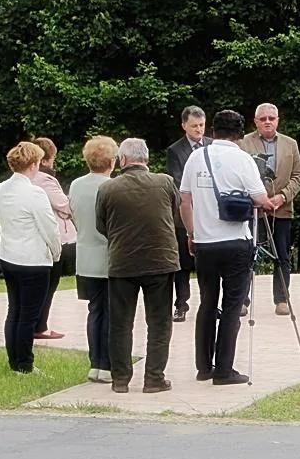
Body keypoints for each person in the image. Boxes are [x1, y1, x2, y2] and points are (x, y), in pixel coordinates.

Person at [180, 109, 275, 384]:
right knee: (232, 306)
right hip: (235, 242)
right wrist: (270, 201)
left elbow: (184, 199)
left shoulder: (196, 156)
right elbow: (260, 198)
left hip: (205, 242)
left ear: (212, 132)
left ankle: (203, 366)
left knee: (207, 302)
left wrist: (191, 233)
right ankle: (224, 369)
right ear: (240, 134)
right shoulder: (243, 159)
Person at [96, 138, 182, 393]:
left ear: (122, 160)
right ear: (146, 159)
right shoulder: (165, 182)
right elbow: (174, 213)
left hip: (123, 262)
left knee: (121, 323)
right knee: (159, 322)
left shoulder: (108, 188)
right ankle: (154, 378)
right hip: (161, 261)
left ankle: (120, 379)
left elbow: (101, 225)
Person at [0, 141, 61, 374]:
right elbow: (49, 228)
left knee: (15, 310)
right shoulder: (35, 193)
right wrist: (55, 253)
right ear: (33, 165)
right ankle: (24, 364)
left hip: (9, 255)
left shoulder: (3, 188)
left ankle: (14, 359)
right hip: (33, 260)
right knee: (29, 316)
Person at [241, 103, 300, 315]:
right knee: (247, 254)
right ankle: (242, 300)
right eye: (263, 118)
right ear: (256, 121)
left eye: (271, 118)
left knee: (282, 255)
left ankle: (282, 299)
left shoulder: (290, 144)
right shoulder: (243, 143)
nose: (267, 121)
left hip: (282, 209)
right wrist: (257, 198)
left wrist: (282, 196)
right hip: (253, 210)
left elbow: (298, 176)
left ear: (278, 120)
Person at [68, 136, 116, 383]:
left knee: (95, 310)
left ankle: (95, 363)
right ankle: (107, 364)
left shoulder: (75, 185)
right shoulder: (111, 186)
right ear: (111, 161)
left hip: (84, 255)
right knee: (110, 312)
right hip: (108, 256)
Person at [166, 106, 211, 322]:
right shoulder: (175, 151)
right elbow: (177, 180)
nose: (199, 130)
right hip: (185, 212)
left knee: (208, 262)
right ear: (184, 125)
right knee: (183, 263)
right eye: (194, 126)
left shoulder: (212, 145)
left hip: (210, 213)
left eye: (201, 125)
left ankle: (209, 303)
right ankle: (181, 304)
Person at [29, 137, 75, 340]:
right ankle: (41, 325)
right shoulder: (45, 180)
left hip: (37, 239)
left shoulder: (29, 178)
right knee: (49, 284)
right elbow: (64, 205)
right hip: (55, 237)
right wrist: (68, 210)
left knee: (43, 284)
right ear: (47, 159)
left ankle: (38, 324)